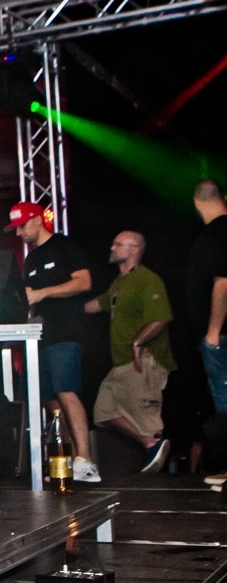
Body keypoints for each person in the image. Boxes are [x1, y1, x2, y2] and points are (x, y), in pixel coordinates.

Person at [5, 201, 101, 482]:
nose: (19, 232)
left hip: (66, 332)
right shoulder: (32, 259)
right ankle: (69, 460)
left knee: (66, 390)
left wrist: (43, 293)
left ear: (37, 220)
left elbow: (84, 282)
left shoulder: (64, 246)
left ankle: (86, 459)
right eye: (15, 228)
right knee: (48, 397)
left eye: (22, 225)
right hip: (41, 336)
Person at [85, 231, 176, 473]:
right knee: (103, 412)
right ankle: (150, 444)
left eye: (118, 244)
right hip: (121, 364)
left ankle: (155, 450)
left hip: (143, 361)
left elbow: (162, 317)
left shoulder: (147, 279)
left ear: (134, 249)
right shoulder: (119, 283)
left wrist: (138, 342)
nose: (112, 248)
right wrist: (63, 307)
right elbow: (97, 304)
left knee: (147, 419)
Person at [186, 179, 227, 490]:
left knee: (224, 401)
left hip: (221, 335)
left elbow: (223, 282)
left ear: (196, 201)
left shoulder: (216, 233)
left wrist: (213, 330)